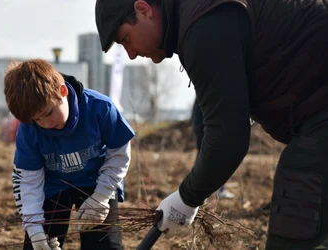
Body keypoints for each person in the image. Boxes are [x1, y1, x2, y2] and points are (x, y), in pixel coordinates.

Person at [95, 0, 328, 249]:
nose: (130, 54)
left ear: (143, 10)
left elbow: (228, 138)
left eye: (125, 39)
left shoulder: (202, 26)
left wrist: (186, 197)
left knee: (299, 199)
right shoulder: (197, 17)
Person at [4, 59, 135, 250]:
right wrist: (35, 230)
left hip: (96, 183)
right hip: (52, 188)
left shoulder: (100, 108)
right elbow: (28, 179)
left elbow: (119, 153)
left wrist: (101, 197)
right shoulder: (29, 130)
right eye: (37, 119)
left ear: (62, 92)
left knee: (104, 246)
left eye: (48, 113)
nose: (45, 123)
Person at [191, 100, 234, 199]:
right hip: (206, 124)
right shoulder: (206, 90)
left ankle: (217, 188)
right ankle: (199, 188)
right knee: (206, 155)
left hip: (212, 122)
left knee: (218, 154)